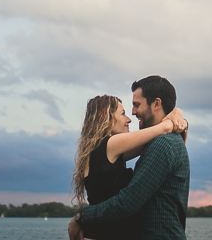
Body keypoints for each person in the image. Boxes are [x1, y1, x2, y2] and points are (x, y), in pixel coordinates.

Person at [69, 76, 190, 240]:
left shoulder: (162, 144)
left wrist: (177, 116)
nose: (131, 115)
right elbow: (161, 130)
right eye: (124, 113)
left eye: (136, 105)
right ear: (106, 117)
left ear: (156, 104)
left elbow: (128, 202)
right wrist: (172, 122)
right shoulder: (110, 145)